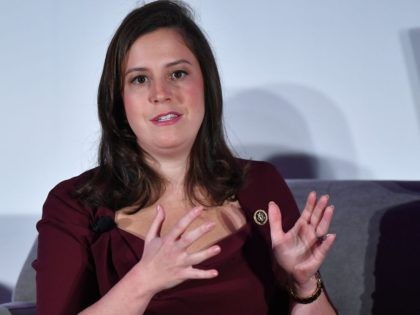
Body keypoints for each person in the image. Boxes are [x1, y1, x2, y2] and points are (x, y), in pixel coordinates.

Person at [34, 1, 337, 314]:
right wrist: (143, 281)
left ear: (206, 83)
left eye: (177, 73)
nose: (161, 93)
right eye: (139, 79)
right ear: (118, 101)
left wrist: (304, 285)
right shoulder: (74, 204)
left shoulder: (261, 185)